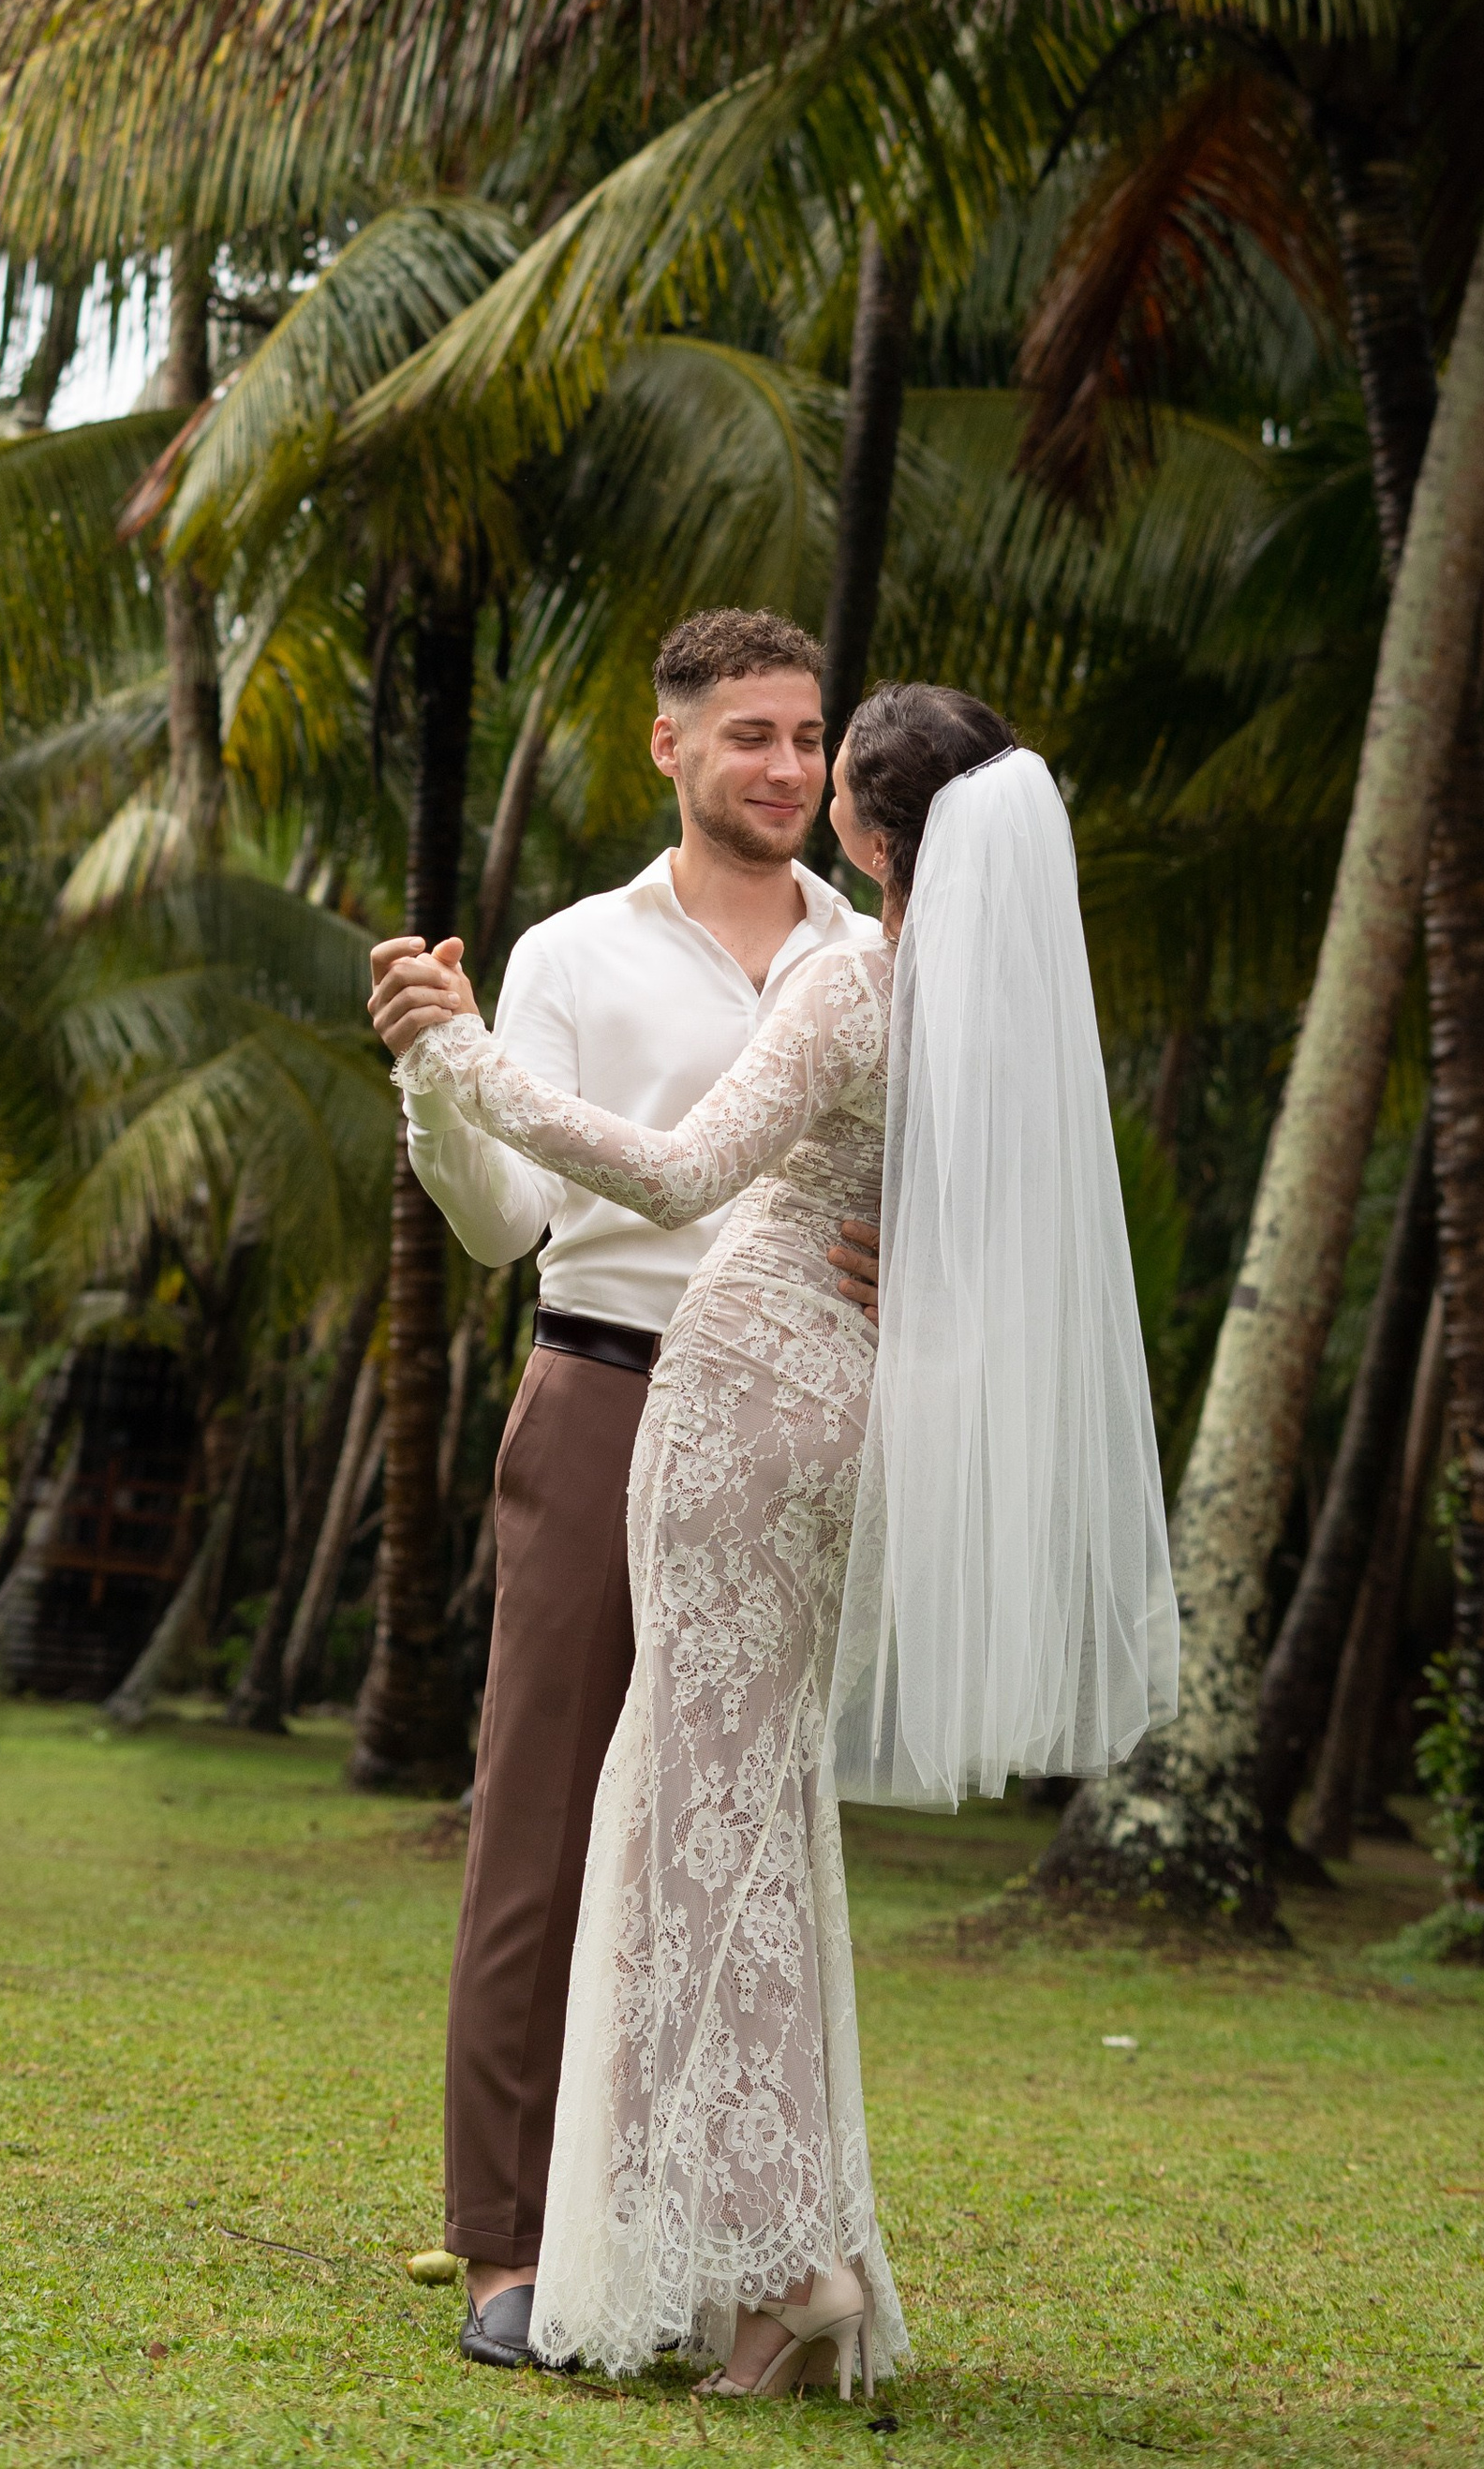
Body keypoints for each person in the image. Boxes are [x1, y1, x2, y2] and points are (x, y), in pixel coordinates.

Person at [377, 684, 1177, 2393]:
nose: (792, 776)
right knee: (746, 1825)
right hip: (824, 1433)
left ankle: (782, 2257)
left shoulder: (846, 978)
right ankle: (745, 2267)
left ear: (873, 835)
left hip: (736, 1414)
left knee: (686, 1823)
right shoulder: (997, 1032)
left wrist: (455, 1057)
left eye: (822, 756)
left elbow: (670, 1177)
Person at [366, 607, 883, 2372]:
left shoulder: (875, 953)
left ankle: (707, 2248)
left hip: (792, 1441)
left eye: (809, 736)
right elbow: (506, 1219)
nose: (787, 769)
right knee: (547, 1825)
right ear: (665, 746)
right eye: (749, 734)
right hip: (608, 1395)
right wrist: (439, 1085)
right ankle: (508, 2244)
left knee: (730, 1842)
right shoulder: (578, 952)